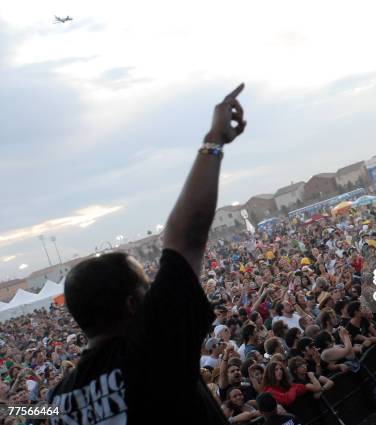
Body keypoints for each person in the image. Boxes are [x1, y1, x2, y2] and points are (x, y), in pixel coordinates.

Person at [47, 84, 247, 424]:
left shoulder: (59, 400)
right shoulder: (151, 347)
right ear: (133, 303)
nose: (154, 292)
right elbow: (188, 236)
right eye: (147, 286)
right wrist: (214, 140)